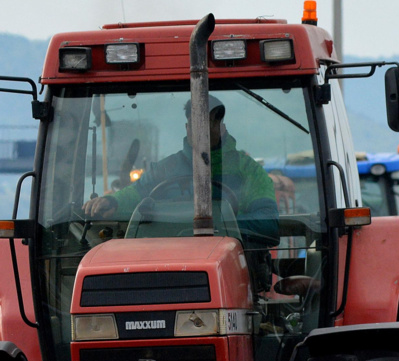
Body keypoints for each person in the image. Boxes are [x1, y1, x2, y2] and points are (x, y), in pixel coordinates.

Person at [83, 95, 279, 251]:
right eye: (196, 123)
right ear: (187, 128)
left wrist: (217, 224)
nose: (203, 130)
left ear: (222, 126)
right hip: (166, 259)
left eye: (210, 122)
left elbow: (268, 223)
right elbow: (135, 193)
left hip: (236, 259)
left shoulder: (248, 170)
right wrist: (112, 202)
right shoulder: (165, 168)